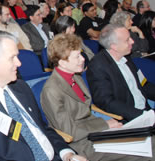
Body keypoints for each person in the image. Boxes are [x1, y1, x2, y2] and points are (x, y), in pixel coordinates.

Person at [0, 30, 87, 161]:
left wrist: (67, 154)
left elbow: (42, 128)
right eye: (12, 58)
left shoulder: (20, 87)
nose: (19, 63)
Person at [41, 33, 152, 161]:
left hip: (97, 133)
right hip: (83, 142)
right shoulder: (51, 91)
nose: (83, 59)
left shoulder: (76, 77)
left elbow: (86, 111)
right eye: (77, 56)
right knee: (143, 153)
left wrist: (105, 127)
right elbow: (70, 131)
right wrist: (104, 125)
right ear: (62, 62)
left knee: (149, 141)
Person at [87, 24, 155, 122]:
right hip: (129, 118)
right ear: (114, 46)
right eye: (127, 40)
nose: (132, 41)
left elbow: (143, 84)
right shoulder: (97, 66)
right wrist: (142, 115)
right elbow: (106, 102)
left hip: (146, 111)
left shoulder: (125, 57)